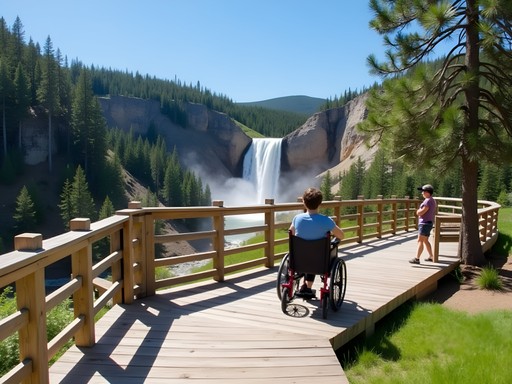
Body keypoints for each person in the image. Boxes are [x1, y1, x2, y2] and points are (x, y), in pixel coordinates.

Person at [289, 187, 344, 295]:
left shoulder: (297, 218)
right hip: (319, 261)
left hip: (299, 258)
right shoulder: (326, 221)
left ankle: (303, 285)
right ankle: (308, 287)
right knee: (315, 253)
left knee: (307, 252)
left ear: (304, 202)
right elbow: (341, 235)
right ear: (320, 203)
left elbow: (291, 233)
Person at [409, 184, 437, 264]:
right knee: (425, 241)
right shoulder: (432, 200)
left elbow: (422, 211)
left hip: (424, 223)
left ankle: (417, 259)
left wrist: (417, 211)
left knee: (420, 240)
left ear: (427, 192)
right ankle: (431, 256)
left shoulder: (427, 201)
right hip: (428, 222)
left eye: (423, 191)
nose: (422, 193)